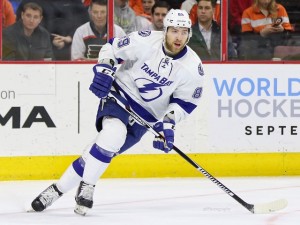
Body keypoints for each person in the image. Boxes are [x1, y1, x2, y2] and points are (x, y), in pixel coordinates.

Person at [29, 9, 204, 216]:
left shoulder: (193, 67)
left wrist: (167, 125)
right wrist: (104, 71)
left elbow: (185, 103)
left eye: (184, 32)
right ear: (165, 30)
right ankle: (88, 187)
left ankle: (56, 190)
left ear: (189, 34)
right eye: (174, 31)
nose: (179, 37)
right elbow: (111, 48)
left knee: (97, 152)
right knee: (113, 135)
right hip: (120, 97)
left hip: (145, 118)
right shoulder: (145, 40)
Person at [16, 0, 90, 60]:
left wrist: (71, 37)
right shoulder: (30, 2)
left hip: (72, 45)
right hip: (40, 46)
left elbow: (85, 22)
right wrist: (51, 39)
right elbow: (22, 24)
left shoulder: (75, 2)